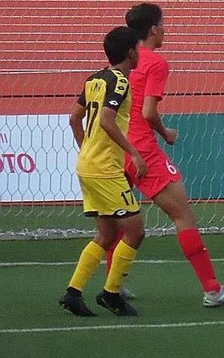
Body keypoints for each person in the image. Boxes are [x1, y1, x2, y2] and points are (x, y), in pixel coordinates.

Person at [106, 3, 224, 307]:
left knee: (118, 219)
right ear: (154, 29)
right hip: (142, 150)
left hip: (114, 149)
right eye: (163, 23)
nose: (165, 28)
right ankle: (212, 289)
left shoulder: (121, 61)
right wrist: (165, 132)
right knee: (182, 215)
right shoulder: (155, 62)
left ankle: (113, 284)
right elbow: (147, 111)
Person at [59, 27, 145, 317]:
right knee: (135, 231)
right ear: (131, 52)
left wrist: (87, 150)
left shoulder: (94, 79)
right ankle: (111, 293)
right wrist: (133, 152)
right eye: (138, 48)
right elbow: (108, 121)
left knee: (107, 234)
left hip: (87, 165)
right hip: (106, 169)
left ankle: (73, 292)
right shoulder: (120, 83)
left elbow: (74, 118)